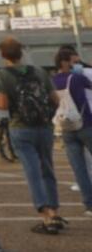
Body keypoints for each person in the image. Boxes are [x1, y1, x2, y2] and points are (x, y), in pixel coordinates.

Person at [0, 37, 63, 235]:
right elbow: (55, 99)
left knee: (33, 172)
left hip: (20, 127)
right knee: (47, 168)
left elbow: (4, 105)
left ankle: (45, 215)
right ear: (21, 52)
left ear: (2, 55)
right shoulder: (39, 71)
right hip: (44, 127)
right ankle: (55, 211)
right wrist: (47, 116)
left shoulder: (2, 75)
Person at [52, 47, 92, 215]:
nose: (77, 65)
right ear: (65, 62)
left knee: (79, 168)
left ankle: (89, 204)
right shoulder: (76, 78)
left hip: (66, 128)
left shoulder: (52, 80)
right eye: (74, 62)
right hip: (86, 125)